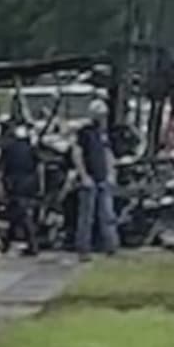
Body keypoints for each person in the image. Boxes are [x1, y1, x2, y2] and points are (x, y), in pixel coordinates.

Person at [73, 98, 118, 261]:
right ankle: (83, 249)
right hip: (90, 179)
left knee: (108, 214)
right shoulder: (84, 133)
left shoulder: (103, 134)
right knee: (87, 217)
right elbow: (77, 154)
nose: (103, 119)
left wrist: (111, 173)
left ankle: (111, 247)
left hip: (103, 178)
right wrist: (84, 176)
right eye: (101, 116)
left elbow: (108, 154)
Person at [0, 123, 40, 256]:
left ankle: (31, 245)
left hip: (15, 184)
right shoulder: (30, 149)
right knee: (16, 214)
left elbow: (3, 166)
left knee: (19, 214)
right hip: (29, 183)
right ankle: (8, 243)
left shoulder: (9, 148)